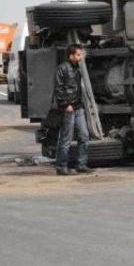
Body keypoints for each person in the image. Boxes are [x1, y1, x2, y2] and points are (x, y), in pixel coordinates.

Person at [54, 44, 95, 176]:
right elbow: (58, 89)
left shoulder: (77, 68)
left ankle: (81, 164)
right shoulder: (62, 69)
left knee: (84, 135)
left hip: (78, 107)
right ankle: (61, 166)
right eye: (78, 55)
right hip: (69, 109)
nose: (80, 57)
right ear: (71, 55)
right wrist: (66, 105)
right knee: (66, 138)